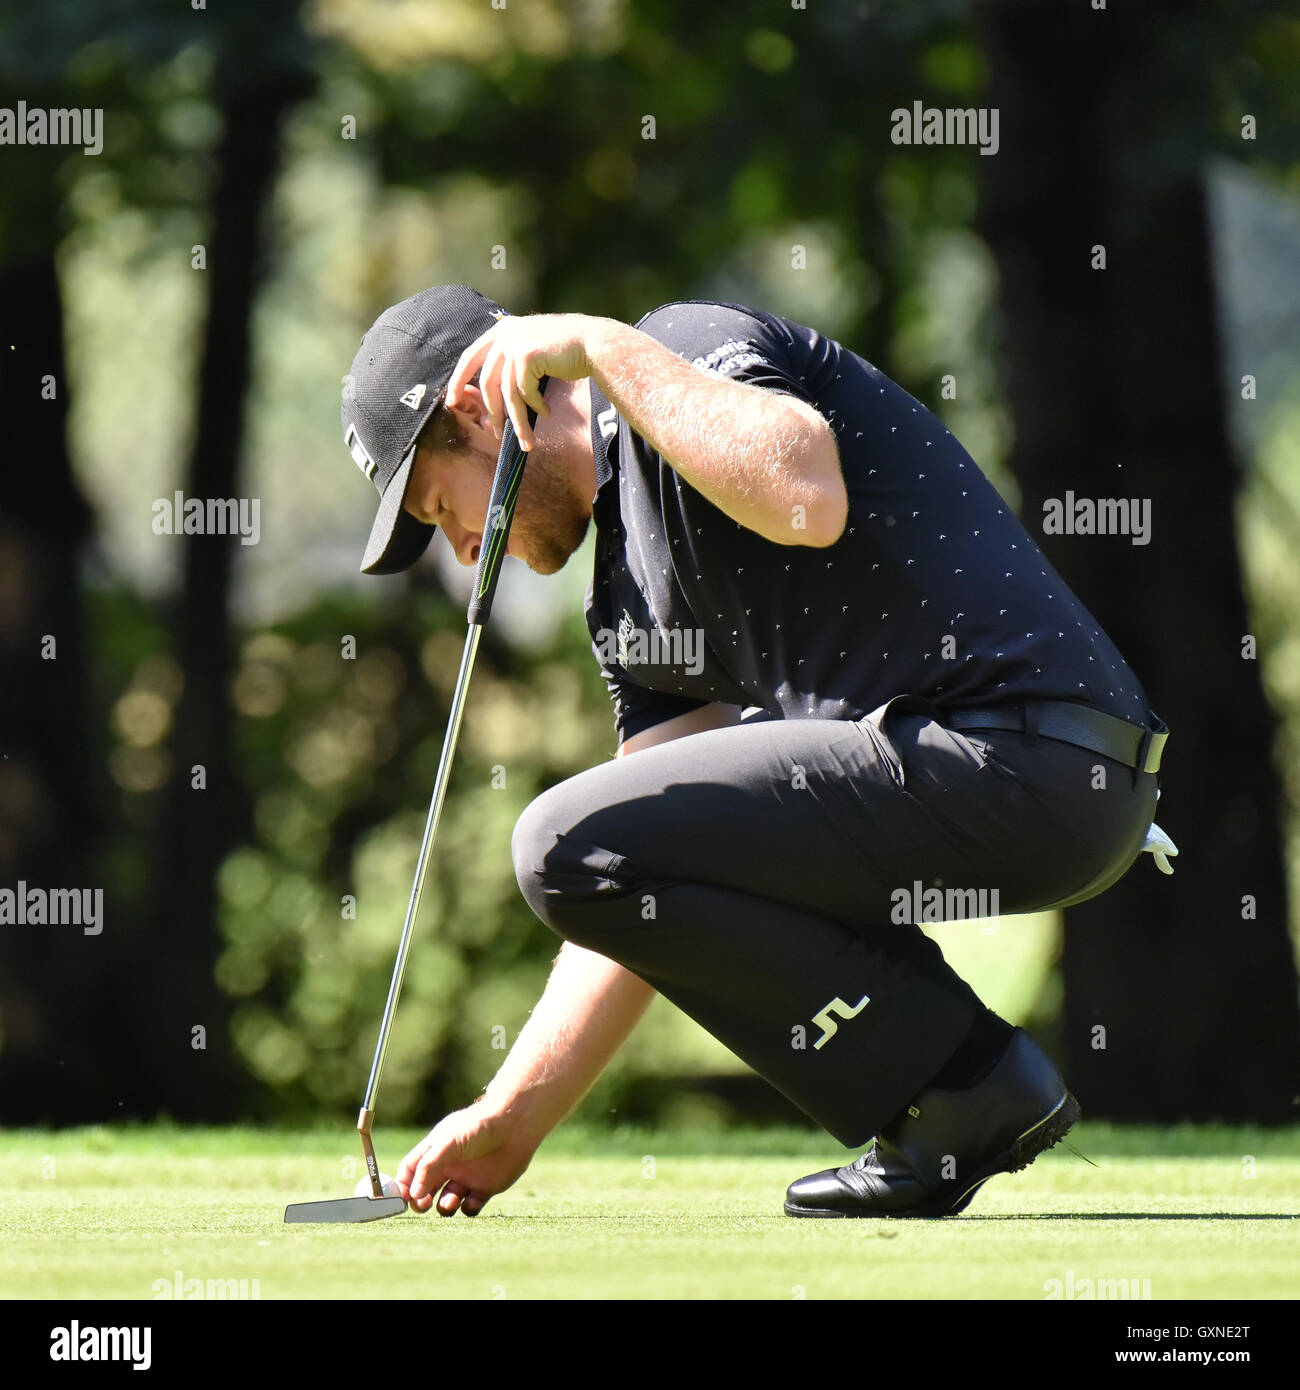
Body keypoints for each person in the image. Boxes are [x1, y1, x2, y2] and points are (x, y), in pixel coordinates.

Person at [338, 284, 1172, 1219]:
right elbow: (633, 865)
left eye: (435, 503)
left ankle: (966, 1082)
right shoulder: (627, 608)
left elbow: (803, 495)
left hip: (1032, 755)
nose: (458, 549)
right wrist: (511, 1115)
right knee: (575, 850)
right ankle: (956, 1093)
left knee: (551, 839)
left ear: (482, 411)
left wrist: (602, 345)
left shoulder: (679, 344)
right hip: (1027, 785)